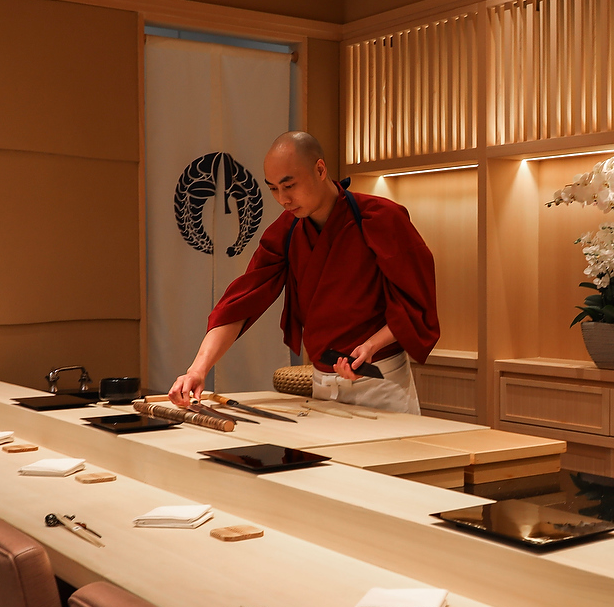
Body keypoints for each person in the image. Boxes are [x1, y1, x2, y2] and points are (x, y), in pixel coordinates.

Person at [167, 131, 439, 414]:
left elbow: (416, 304)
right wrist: (197, 369)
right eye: (273, 189)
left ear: (320, 170)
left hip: (379, 382)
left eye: (289, 185)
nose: (283, 199)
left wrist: (370, 346)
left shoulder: (380, 218)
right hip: (322, 385)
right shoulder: (287, 232)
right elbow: (242, 302)